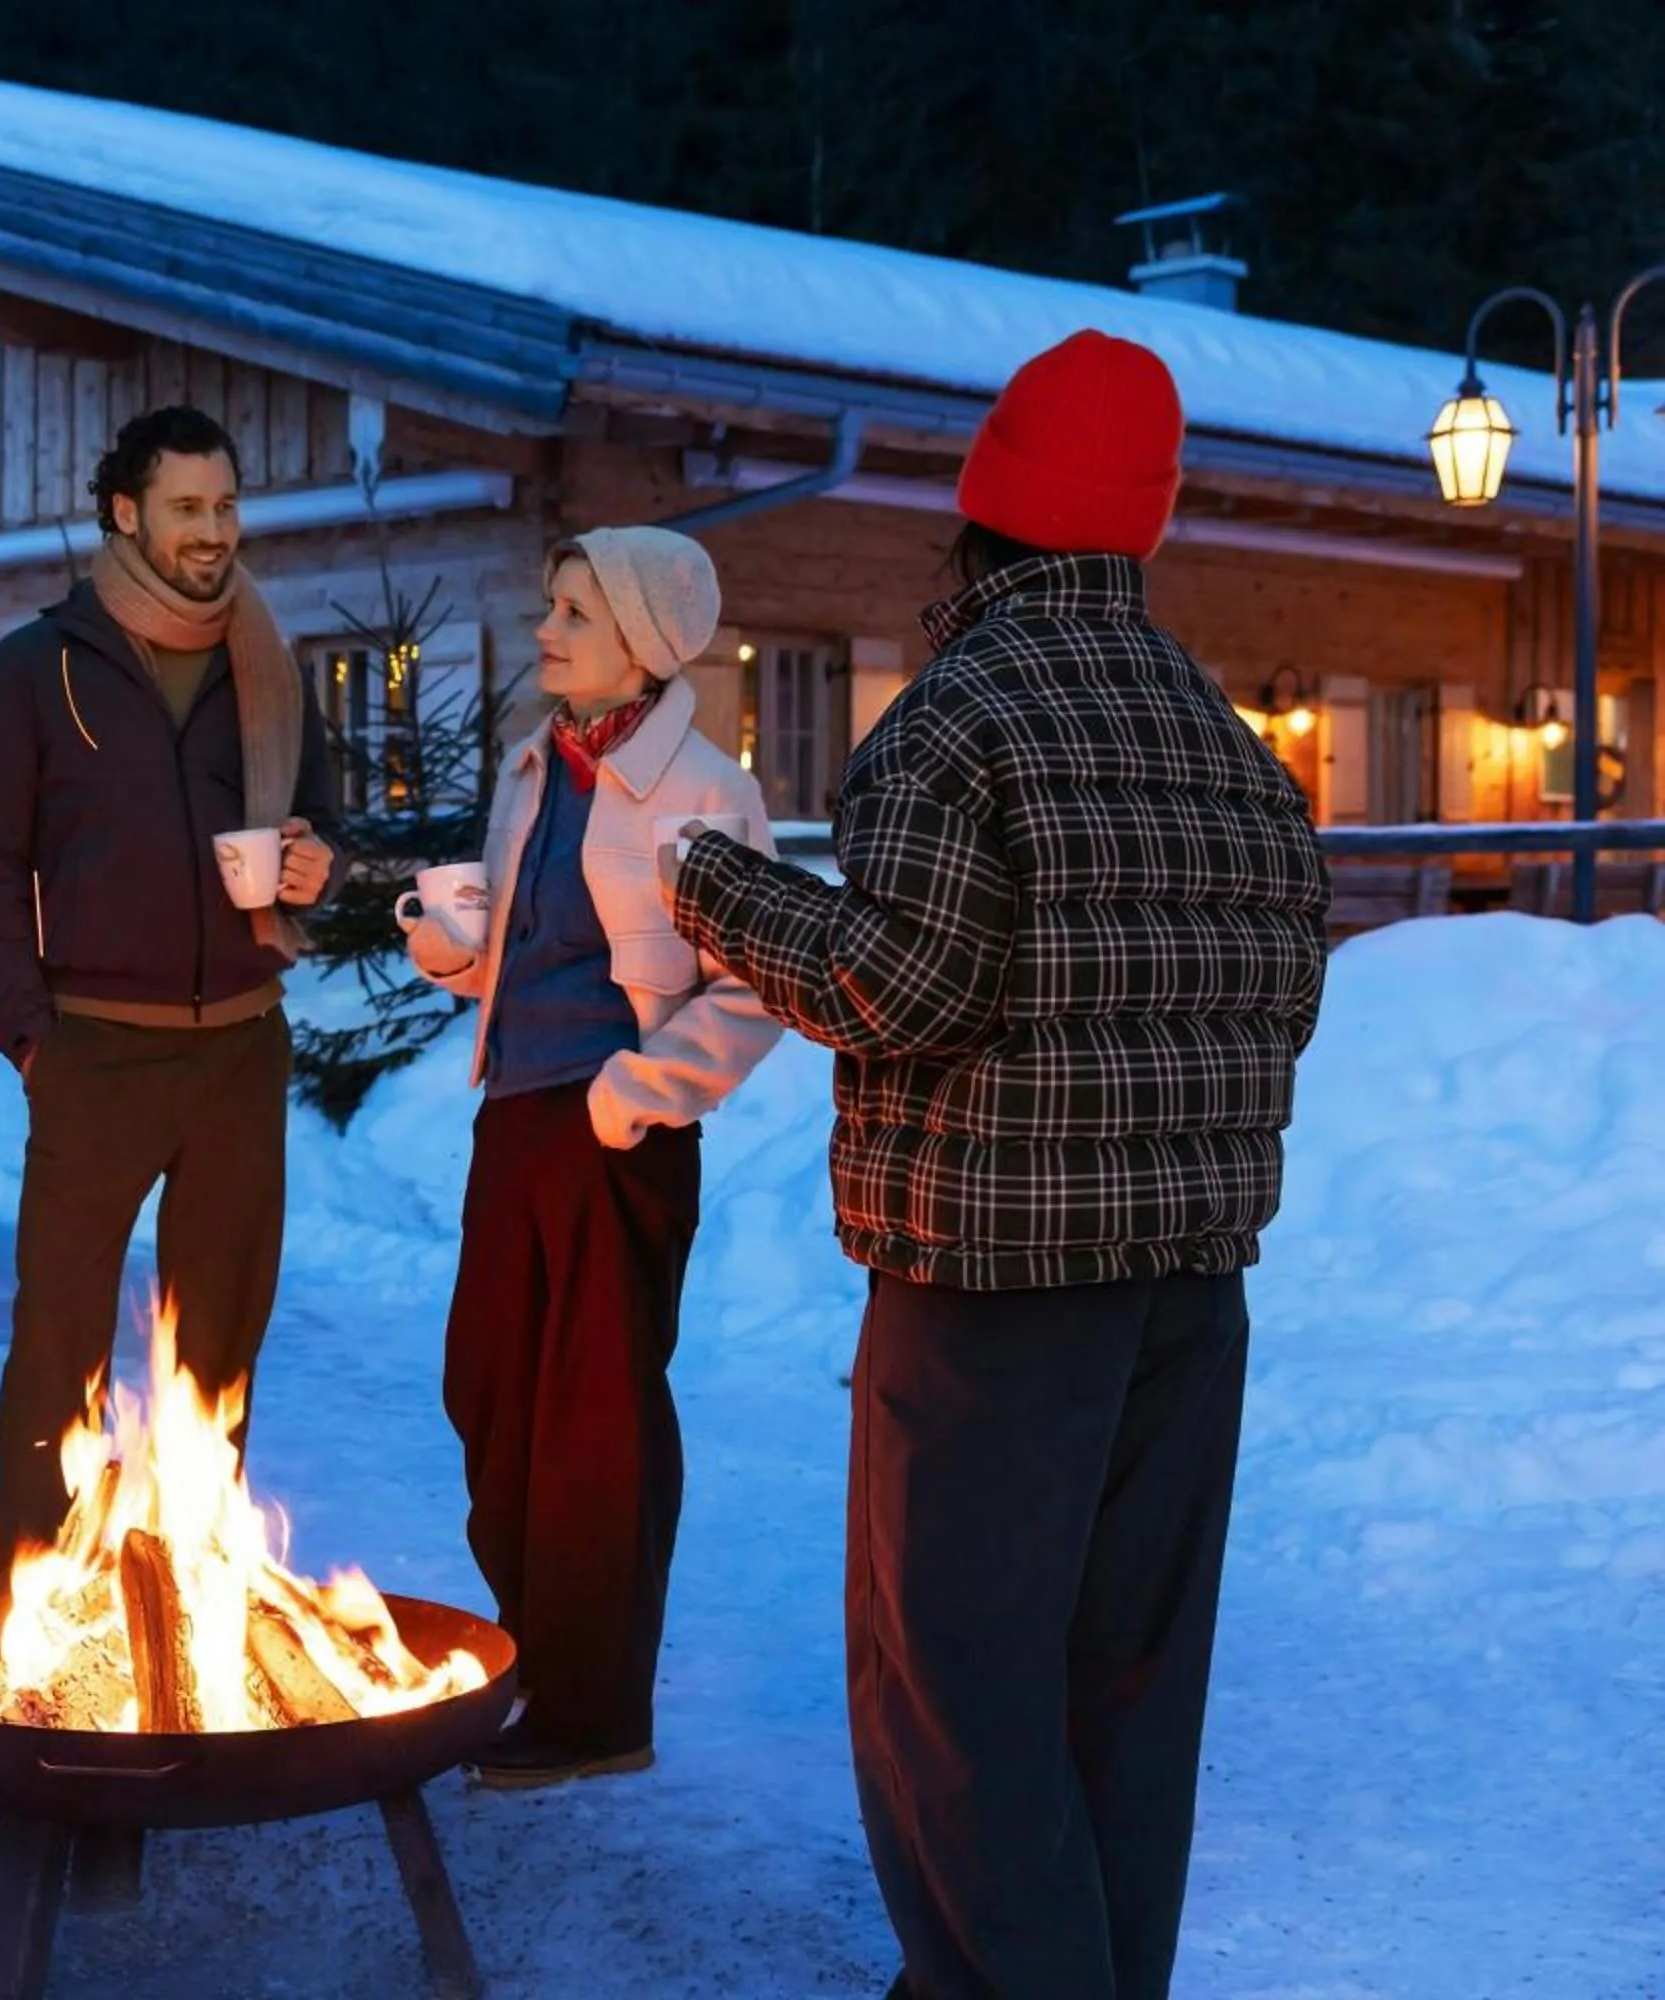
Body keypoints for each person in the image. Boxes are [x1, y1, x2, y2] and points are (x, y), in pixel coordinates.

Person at [666, 331, 1330, 1999]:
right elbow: (1285, 997)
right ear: (1142, 524)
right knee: (1127, 1690)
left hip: (991, 1294)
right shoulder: (1232, 745)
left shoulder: (957, 718)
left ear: (983, 514)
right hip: (1191, 1297)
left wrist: (717, 889)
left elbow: (895, 982)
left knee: (953, 1695)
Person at [399, 527, 784, 1789]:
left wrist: (634, 1095)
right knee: (488, 1392)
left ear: (644, 639)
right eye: (551, 604)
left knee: (597, 1426)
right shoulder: (536, 767)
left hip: (618, 1139)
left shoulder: (705, 792)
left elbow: (755, 987)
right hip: (514, 1121)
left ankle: (596, 1708)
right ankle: (537, 1654)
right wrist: (454, 950)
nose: (546, 628)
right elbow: (525, 952)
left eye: (576, 611)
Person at [0, 405, 348, 1584]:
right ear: (125, 513)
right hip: (97, 1051)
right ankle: (30, 1596)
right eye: (187, 507)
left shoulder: (264, 661)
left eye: (225, 505)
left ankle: (195, 1594)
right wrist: (33, 1037)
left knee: (219, 1352)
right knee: (57, 1349)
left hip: (239, 1052)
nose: (214, 529)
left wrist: (314, 865)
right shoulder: (37, 667)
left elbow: (319, 825)